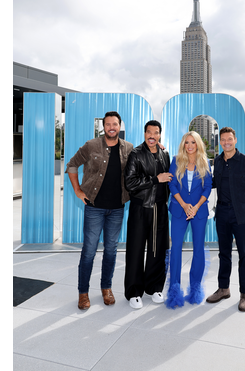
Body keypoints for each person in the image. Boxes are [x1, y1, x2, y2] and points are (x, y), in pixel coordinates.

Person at [66, 111, 134, 311]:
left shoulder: (128, 148)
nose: (111, 127)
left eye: (115, 124)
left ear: (120, 126)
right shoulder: (91, 146)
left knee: (111, 251)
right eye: (108, 124)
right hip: (94, 207)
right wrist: (78, 190)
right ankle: (83, 293)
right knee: (89, 251)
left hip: (117, 208)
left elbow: (144, 157)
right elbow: (71, 165)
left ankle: (106, 288)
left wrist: (158, 146)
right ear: (103, 126)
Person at [206, 126, 245, 312]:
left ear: (235, 140)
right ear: (220, 142)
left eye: (230, 139)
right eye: (223, 140)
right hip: (223, 214)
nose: (226, 142)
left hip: (241, 214)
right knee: (223, 254)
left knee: (244, 256)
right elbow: (212, 184)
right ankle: (224, 289)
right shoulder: (217, 162)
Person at [123, 120, 172, 309]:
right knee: (136, 249)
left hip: (160, 208)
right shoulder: (135, 154)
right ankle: (134, 291)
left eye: (156, 132)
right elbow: (130, 183)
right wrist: (154, 179)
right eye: (149, 132)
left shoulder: (164, 153)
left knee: (158, 249)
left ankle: (154, 287)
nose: (152, 135)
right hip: (140, 208)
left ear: (160, 135)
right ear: (144, 134)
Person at [165, 131, 212, 309]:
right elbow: (172, 184)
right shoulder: (177, 160)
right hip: (179, 209)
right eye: (187, 142)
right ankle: (174, 291)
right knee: (175, 248)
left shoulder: (205, 162)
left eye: (193, 142)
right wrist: (185, 205)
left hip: (199, 212)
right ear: (183, 144)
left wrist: (196, 206)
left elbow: (207, 187)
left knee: (198, 249)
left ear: (198, 144)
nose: (190, 146)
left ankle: (195, 290)